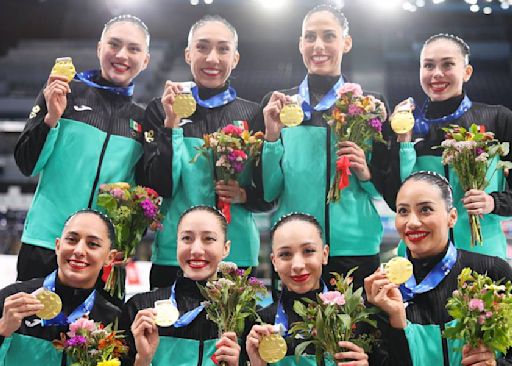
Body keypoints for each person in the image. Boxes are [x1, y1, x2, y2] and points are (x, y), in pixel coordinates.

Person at [256, 4, 390, 292]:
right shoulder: (279, 104)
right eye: (310, 37)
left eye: (329, 36)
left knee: (358, 337)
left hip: (356, 247)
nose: (319, 45)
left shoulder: (369, 105)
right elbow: (268, 192)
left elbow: (385, 189)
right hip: (296, 252)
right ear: (300, 44)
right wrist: (271, 137)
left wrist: (366, 173)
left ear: (346, 42)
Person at [14, 14, 151, 281]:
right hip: (46, 242)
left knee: (99, 324)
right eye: (114, 44)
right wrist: (51, 118)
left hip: (103, 254)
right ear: (100, 48)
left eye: (133, 49)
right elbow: (26, 164)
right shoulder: (63, 92)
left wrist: (126, 240)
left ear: (145, 60)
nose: (122, 55)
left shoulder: (143, 120)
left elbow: (141, 196)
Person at [143, 15, 269, 289]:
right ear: (188, 54)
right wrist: (171, 125)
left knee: (231, 332)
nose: (212, 58)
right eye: (202, 47)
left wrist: (245, 194)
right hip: (174, 255)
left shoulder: (252, 114)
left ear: (235, 58)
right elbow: (160, 185)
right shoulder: (160, 108)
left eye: (223, 49)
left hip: (236, 256)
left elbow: (270, 195)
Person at [365, 171, 512, 366]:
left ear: (451, 217)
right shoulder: (381, 290)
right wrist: (396, 320)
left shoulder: (492, 273)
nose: (412, 222)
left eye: (425, 210)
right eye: (403, 211)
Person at [386, 33, 512, 258]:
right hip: (420, 260)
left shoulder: (498, 119)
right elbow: (395, 199)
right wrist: (403, 142)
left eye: (447, 65)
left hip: (483, 258)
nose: (436, 73)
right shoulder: (406, 126)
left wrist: (493, 202)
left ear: (467, 72)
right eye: (428, 65)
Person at [104, 206, 244, 366]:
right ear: (177, 243)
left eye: (208, 239)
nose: (196, 250)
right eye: (187, 238)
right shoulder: (141, 308)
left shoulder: (242, 312)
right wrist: (143, 362)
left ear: (225, 248)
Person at [243, 213, 381, 366]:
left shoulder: (354, 316)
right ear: (274, 262)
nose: (298, 265)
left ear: (324, 254)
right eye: (285, 254)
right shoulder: (261, 325)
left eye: (308, 251)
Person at [0, 210, 120, 366]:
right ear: (57, 246)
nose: (79, 250)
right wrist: (2, 329)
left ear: (110, 258)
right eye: (72, 240)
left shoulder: (112, 320)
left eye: (92, 244)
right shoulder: (14, 300)